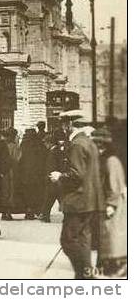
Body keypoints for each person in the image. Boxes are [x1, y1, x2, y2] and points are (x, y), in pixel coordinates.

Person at [49, 110, 103, 279]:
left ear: (70, 124)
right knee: (83, 240)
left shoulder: (77, 144)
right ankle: (85, 277)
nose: (64, 128)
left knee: (68, 241)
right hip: (89, 201)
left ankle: (85, 276)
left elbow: (77, 174)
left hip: (77, 201)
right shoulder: (89, 142)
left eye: (64, 124)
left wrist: (59, 176)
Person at [91, 127, 126, 278]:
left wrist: (111, 204)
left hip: (112, 204)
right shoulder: (106, 159)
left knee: (111, 236)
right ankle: (105, 265)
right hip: (107, 202)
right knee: (106, 236)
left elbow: (114, 184)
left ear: (102, 145)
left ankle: (113, 266)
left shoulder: (111, 160)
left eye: (97, 144)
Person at [17, 128, 48, 219]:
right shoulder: (39, 144)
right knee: (36, 192)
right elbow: (44, 157)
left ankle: (28, 210)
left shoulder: (23, 144)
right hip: (37, 174)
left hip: (25, 173)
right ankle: (35, 210)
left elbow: (20, 158)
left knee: (26, 192)